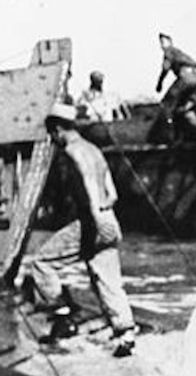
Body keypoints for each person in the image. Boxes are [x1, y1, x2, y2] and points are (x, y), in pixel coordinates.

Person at [25, 103, 137, 357]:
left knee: (42, 262)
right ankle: (125, 332)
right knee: (107, 279)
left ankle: (63, 312)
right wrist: (104, 214)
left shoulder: (74, 151)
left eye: (52, 134)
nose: (52, 140)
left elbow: (88, 180)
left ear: (57, 129)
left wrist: (94, 216)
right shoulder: (94, 149)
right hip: (110, 218)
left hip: (93, 220)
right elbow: (113, 192)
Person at [154, 33, 196, 141]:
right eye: (161, 43)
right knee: (184, 108)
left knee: (167, 104)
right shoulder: (180, 54)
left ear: (170, 43)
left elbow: (165, 68)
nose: (162, 46)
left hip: (187, 77)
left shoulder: (170, 51)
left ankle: (167, 135)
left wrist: (159, 83)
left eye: (163, 42)